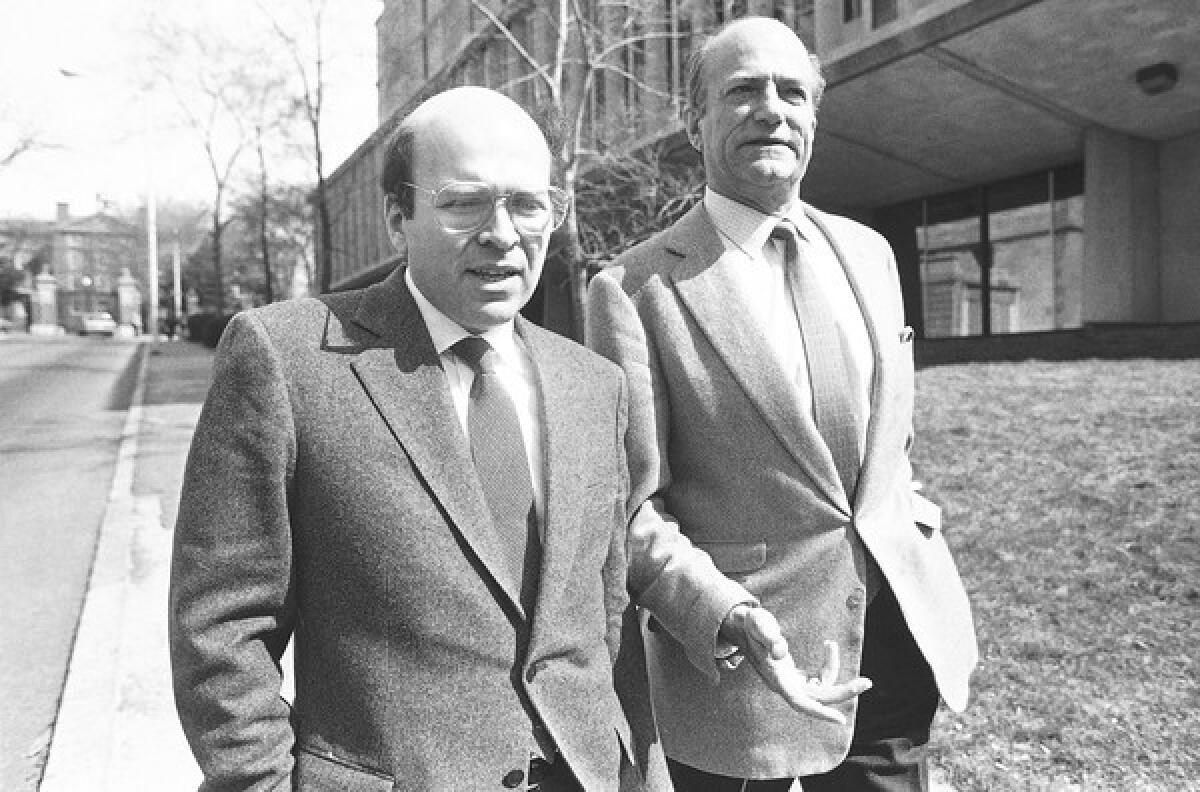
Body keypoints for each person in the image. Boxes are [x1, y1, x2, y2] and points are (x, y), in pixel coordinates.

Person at [169, 86, 669, 792]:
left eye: (529, 204)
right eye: (465, 201)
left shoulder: (595, 385)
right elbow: (220, 632)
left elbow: (602, 609)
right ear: (396, 216)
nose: (503, 232)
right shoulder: (286, 358)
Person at [586, 16, 978, 792]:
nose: (772, 109)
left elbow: (885, 448)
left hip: (892, 642)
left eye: (792, 91)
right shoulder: (634, 290)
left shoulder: (870, 254)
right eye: (743, 91)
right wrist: (719, 611)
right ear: (693, 123)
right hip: (737, 669)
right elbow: (628, 508)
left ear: (814, 116)